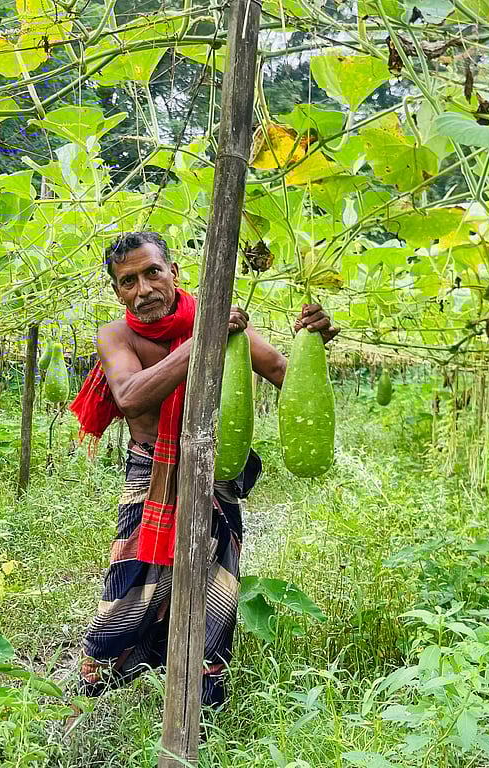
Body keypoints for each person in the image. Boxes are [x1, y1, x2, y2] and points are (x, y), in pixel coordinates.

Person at [67, 231, 340, 710]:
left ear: (173, 271)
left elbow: (282, 373)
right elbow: (130, 395)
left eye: (152, 272)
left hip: (217, 471)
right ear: (118, 292)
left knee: (215, 587)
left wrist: (311, 340)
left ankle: (202, 695)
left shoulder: (217, 324)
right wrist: (203, 341)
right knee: (134, 581)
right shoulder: (117, 335)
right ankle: (103, 680)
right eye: (128, 281)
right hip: (151, 471)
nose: (144, 288)